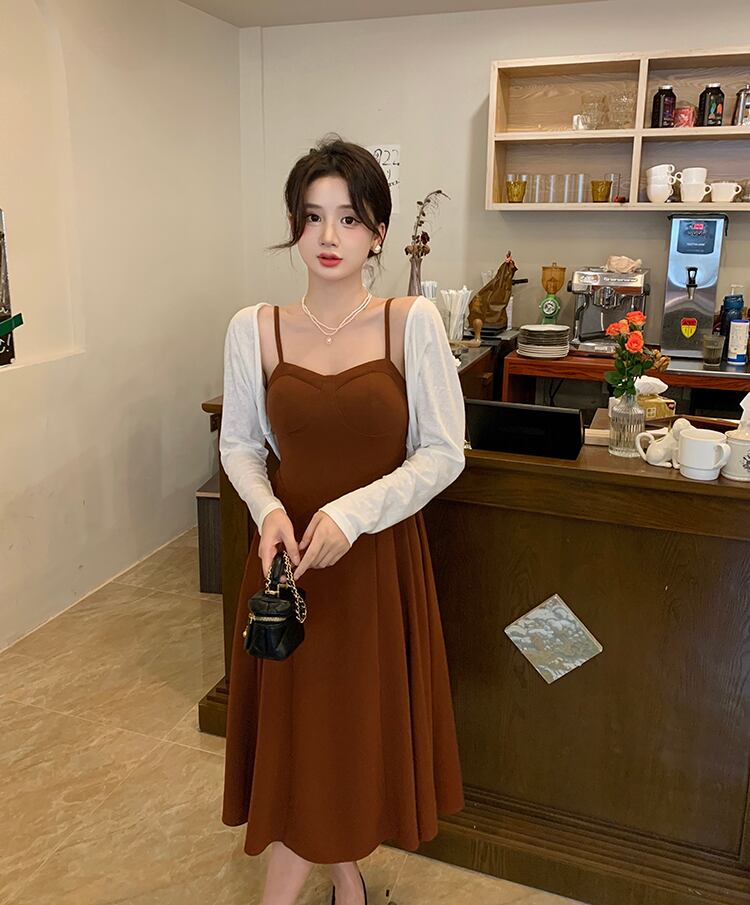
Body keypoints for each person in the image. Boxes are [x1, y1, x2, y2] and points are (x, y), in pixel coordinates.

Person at [219, 135, 466, 905]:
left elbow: (443, 452)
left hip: (374, 567)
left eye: (350, 218)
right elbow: (240, 444)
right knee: (304, 747)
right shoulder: (254, 327)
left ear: (378, 231)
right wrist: (267, 511)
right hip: (286, 566)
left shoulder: (409, 321)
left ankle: (335, 886)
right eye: (313, 216)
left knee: (342, 742)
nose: (329, 236)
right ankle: (349, 886)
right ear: (294, 224)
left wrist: (352, 514)